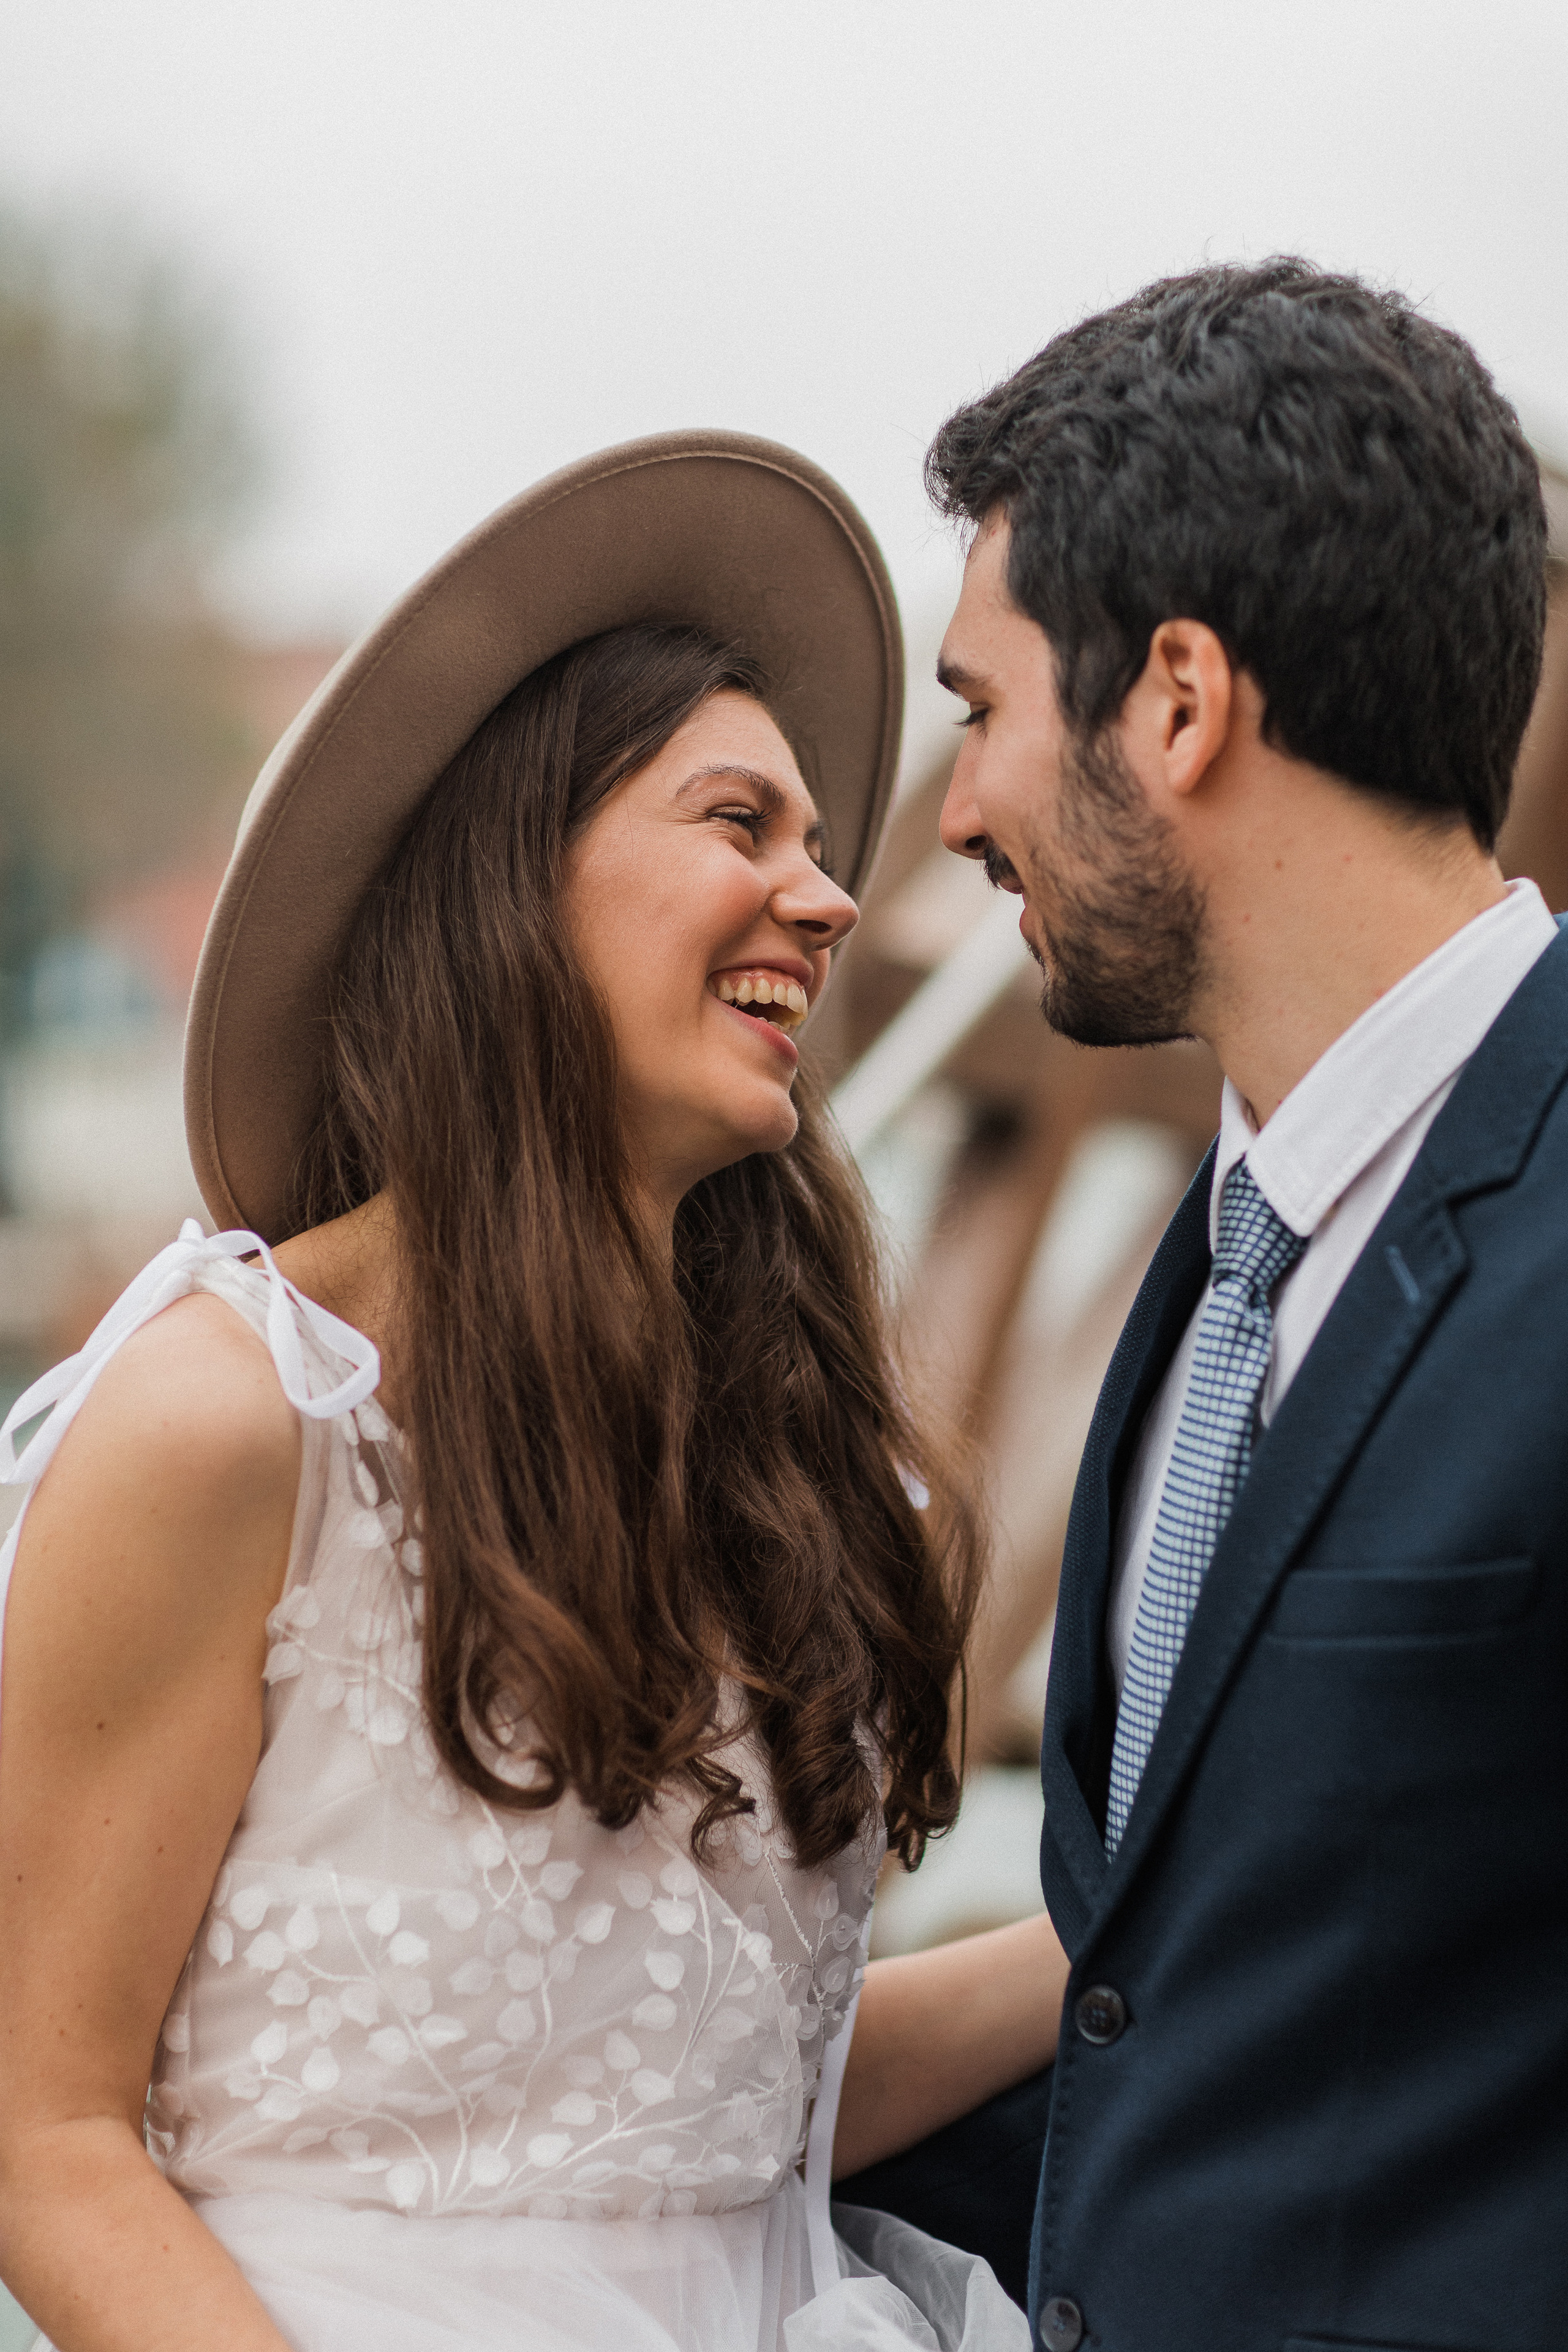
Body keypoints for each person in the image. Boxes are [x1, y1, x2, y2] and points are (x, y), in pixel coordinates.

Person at [0, 432, 1064, 2352]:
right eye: (742, 825)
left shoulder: (796, 1466)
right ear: (511, 875)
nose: (825, 902)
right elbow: (46, 2139)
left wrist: (1131, 1950)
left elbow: (721, 2118)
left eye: (819, 847)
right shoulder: (232, 1423)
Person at [880, 260, 1564, 2351]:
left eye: (985, 707)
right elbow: (1194, 1996)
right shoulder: (1221, 1259)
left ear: (1176, 700)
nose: (966, 806)